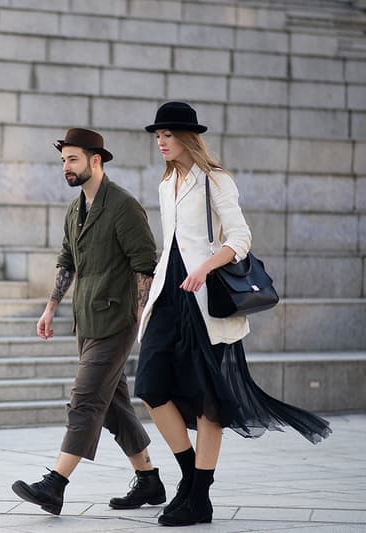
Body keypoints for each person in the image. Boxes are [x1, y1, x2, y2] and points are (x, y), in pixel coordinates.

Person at [136, 101, 332, 527]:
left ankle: (199, 496)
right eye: (157, 137)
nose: (162, 143)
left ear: (187, 137)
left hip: (205, 302)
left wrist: (205, 268)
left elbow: (240, 237)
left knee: (209, 398)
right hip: (169, 297)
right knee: (150, 387)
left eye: (167, 135)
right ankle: (190, 477)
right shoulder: (165, 184)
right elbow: (170, 246)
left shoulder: (215, 180)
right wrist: (147, 296)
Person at [11, 128, 166, 515]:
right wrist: (50, 308)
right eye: (63, 160)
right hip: (87, 320)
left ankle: (55, 484)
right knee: (113, 405)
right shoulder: (74, 209)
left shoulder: (123, 206)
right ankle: (149, 480)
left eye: (73, 159)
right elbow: (67, 261)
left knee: (84, 400)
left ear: (96, 160)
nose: (66, 166)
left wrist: (139, 316)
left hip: (117, 320)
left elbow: (145, 263)